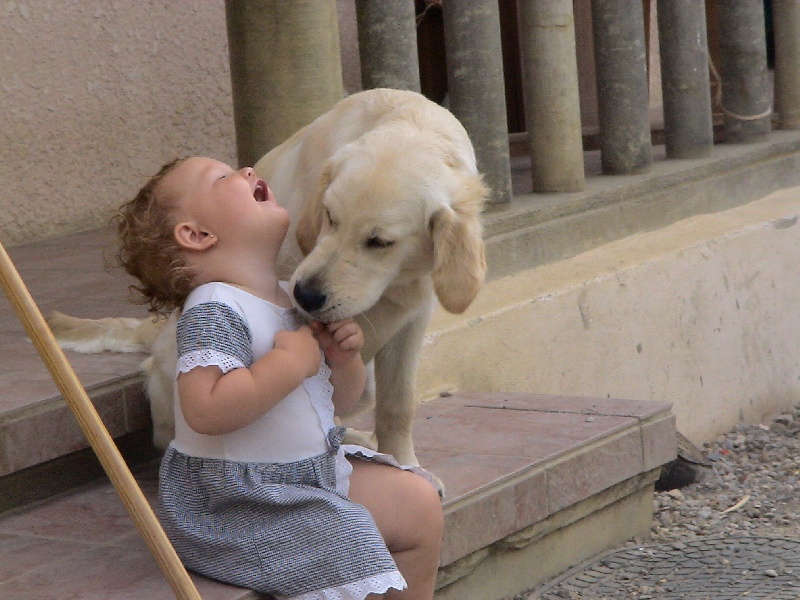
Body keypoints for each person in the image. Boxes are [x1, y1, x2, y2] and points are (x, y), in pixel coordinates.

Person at [115, 157, 444, 599]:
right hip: (239, 500)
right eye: (222, 177)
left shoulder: (290, 296)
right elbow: (205, 409)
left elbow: (337, 403)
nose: (247, 171)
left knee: (419, 504)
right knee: (350, 546)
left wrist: (342, 361)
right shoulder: (213, 308)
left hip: (304, 474)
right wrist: (287, 366)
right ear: (197, 235)